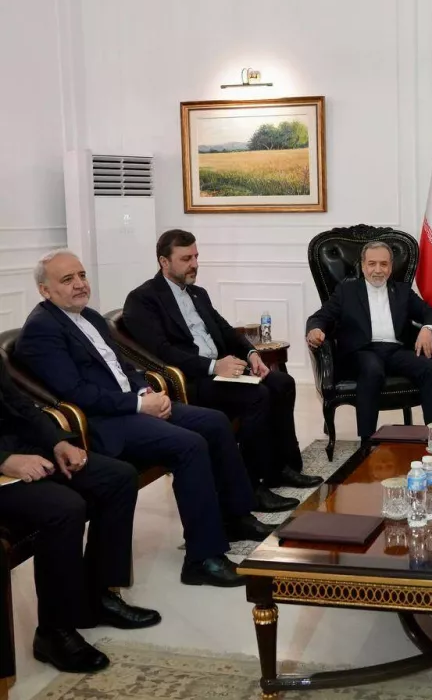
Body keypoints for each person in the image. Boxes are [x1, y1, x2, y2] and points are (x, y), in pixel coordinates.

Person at [18, 249, 270, 588]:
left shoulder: (89, 316)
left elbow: (125, 368)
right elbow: (77, 393)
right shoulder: (42, 330)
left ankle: (235, 516)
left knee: (213, 422)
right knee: (190, 445)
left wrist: (146, 394)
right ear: (44, 290)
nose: (80, 284)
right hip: (104, 423)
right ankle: (202, 558)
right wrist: (137, 405)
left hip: (131, 405)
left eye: (81, 275)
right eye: (67, 279)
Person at [122, 229, 321, 510]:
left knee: (282, 382)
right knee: (258, 396)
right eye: (186, 258)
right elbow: (162, 352)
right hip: (191, 380)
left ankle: (280, 468)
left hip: (222, 370)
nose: (194, 264)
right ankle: (252, 487)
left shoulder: (197, 293)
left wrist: (251, 353)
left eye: (196, 256)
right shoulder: (143, 299)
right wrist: (214, 366)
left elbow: (226, 331)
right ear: (164, 262)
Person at [0, 356, 159, 674]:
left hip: (22, 451)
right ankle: (53, 632)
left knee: (118, 477)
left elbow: (20, 404)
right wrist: (4, 461)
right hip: (5, 467)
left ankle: (98, 598)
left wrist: (58, 443)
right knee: (64, 508)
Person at [305, 241, 432, 443]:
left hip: (395, 351)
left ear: (391, 266)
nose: (378, 270)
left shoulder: (403, 291)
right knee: (372, 368)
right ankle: (367, 441)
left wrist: (427, 329)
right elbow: (320, 316)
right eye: (372, 264)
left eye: (384, 264)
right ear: (363, 266)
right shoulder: (347, 291)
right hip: (361, 352)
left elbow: (431, 314)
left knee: (430, 369)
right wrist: (315, 329)